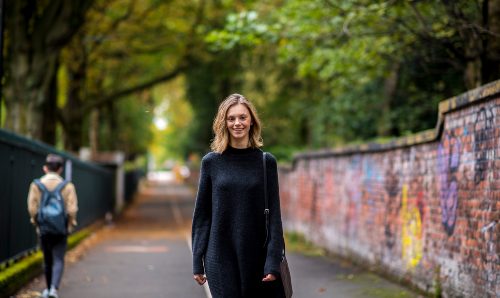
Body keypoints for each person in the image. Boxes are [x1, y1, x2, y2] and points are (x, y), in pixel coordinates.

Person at [192, 94, 286, 297]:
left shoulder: (266, 162)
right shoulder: (211, 162)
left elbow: (275, 217)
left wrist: (272, 260)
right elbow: (202, 216)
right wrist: (197, 260)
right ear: (224, 123)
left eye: (242, 117)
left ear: (251, 121)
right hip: (219, 256)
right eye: (231, 118)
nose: (237, 123)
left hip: (256, 257)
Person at [27, 154, 78, 298]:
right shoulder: (67, 186)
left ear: (45, 168)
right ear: (60, 169)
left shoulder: (36, 185)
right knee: (58, 258)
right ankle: (54, 289)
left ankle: (47, 289)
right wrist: (69, 224)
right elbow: (72, 209)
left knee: (47, 259)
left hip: (44, 228)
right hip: (61, 229)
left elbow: (32, 208)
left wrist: (37, 222)